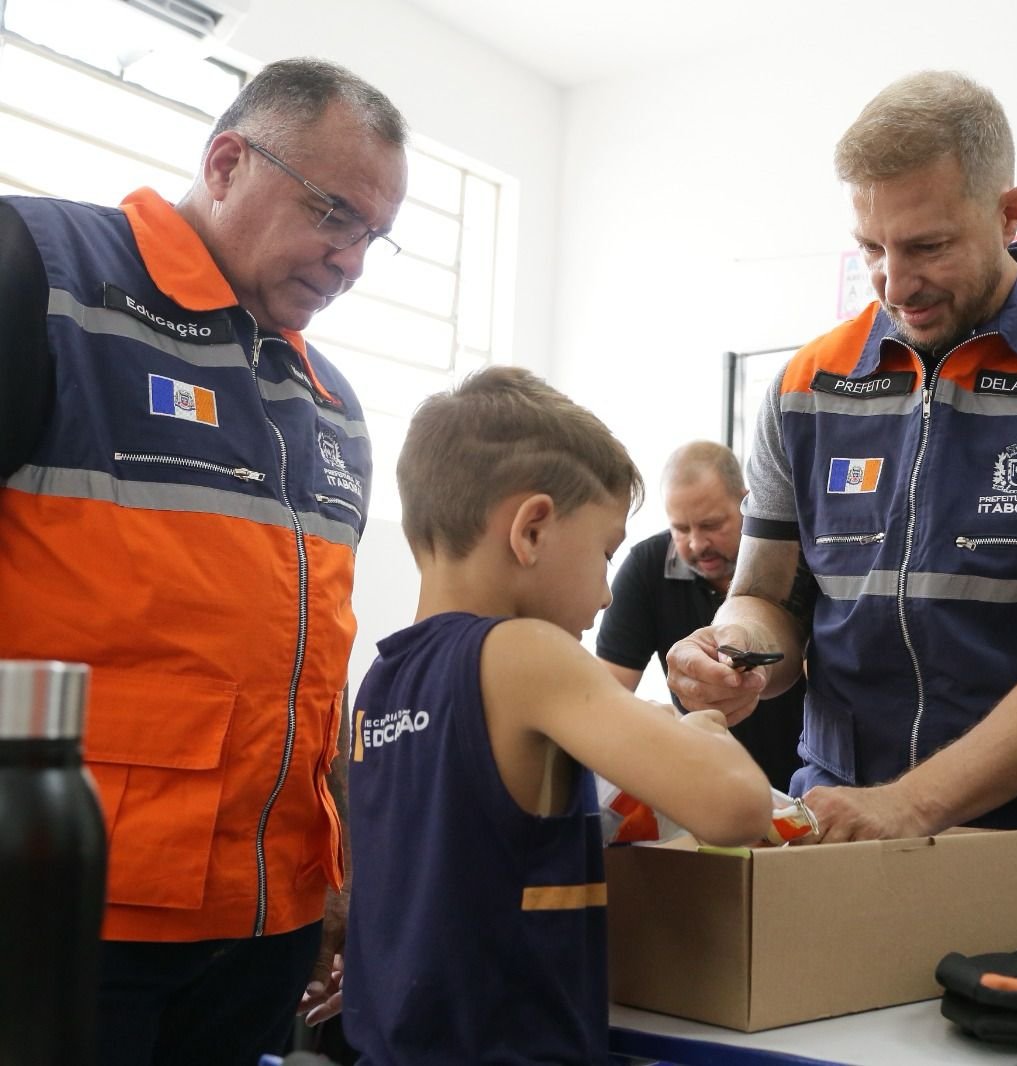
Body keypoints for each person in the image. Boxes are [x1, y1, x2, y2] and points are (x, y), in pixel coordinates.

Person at [665, 70, 1017, 942]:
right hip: (844, 825)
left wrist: (913, 804)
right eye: (871, 248)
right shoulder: (806, 386)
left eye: (927, 246)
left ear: (1009, 212)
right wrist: (734, 654)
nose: (895, 283)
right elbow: (769, 594)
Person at [0, 58, 408, 1065]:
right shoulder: (45, 276)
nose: (349, 258)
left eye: (373, 236)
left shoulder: (333, 406)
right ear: (226, 162)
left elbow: (314, 663)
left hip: (261, 924)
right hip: (68, 908)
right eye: (332, 212)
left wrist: (336, 871)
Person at [341, 367, 770, 1064]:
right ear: (532, 529)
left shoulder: (383, 682)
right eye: (604, 553)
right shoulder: (525, 653)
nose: (606, 594)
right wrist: (693, 730)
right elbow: (737, 807)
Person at [597, 440, 805, 789]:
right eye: (680, 529)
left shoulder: (801, 561)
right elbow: (605, 698)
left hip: (807, 781)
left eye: (710, 525)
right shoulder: (645, 569)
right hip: (707, 784)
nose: (696, 544)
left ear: (749, 502)